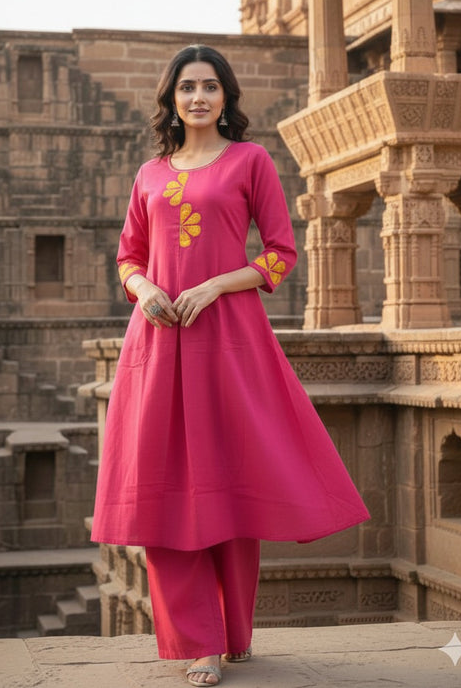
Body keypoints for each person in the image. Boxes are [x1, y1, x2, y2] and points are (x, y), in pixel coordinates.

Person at [91, 45, 370, 686]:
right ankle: (198, 643)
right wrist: (146, 291)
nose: (197, 98)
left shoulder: (251, 161)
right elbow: (127, 258)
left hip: (228, 340)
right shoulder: (150, 174)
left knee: (230, 483)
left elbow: (280, 253)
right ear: (171, 99)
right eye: (186, 88)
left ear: (226, 97)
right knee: (162, 488)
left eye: (209, 87)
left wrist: (215, 286)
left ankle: (233, 632)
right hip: (158, 344)